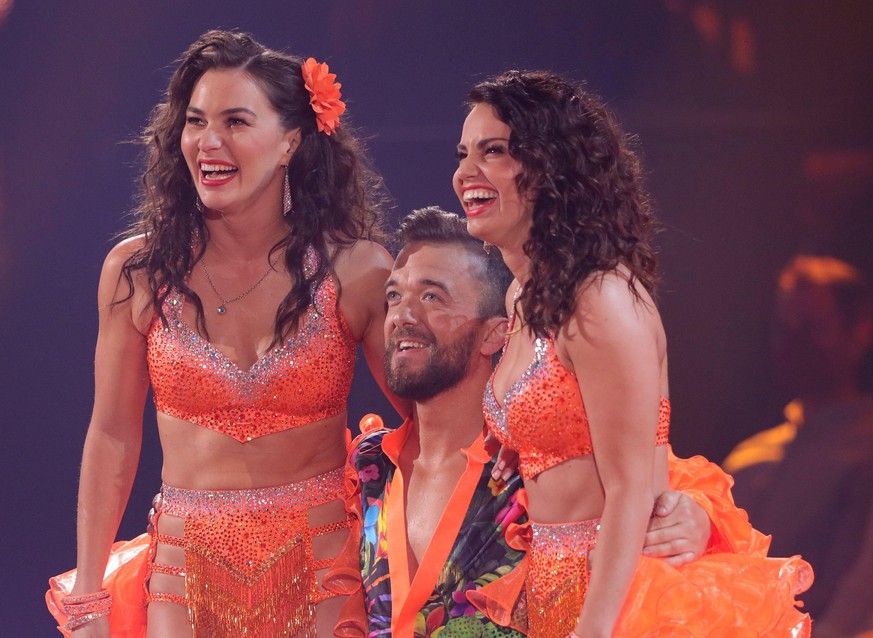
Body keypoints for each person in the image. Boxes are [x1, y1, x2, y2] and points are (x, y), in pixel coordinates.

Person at [46, 30, 395, 637]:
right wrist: (88, 591)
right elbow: (111, 436)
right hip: (183, 577)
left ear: (291, 141)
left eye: (236, 121)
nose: (209, 142)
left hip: (323, 567)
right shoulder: (138, 273)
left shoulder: (357, 271)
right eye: (196, 121)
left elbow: (431, 427)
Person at [454, 70, 813, 637]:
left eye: (493, 151)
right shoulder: (522, 294)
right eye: (464, 153)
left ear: (551, 168)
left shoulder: (600, 298)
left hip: (625, 596)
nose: (465, 173)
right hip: (551, 586)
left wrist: (594, 631)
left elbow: (628, 486)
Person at [329, 206, 781, 637]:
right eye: (394, 296)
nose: (403, 316)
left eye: (432, 296)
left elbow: (654, 479)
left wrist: (696, 516)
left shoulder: (534, 462)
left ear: (493, 333)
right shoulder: (366, 466)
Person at [724, 254, 873, 634]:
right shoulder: (748, 460)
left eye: (811, 328)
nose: (794, 344)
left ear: (859, 332)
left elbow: (856, 594)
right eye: (784, 328)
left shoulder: (864, 451)